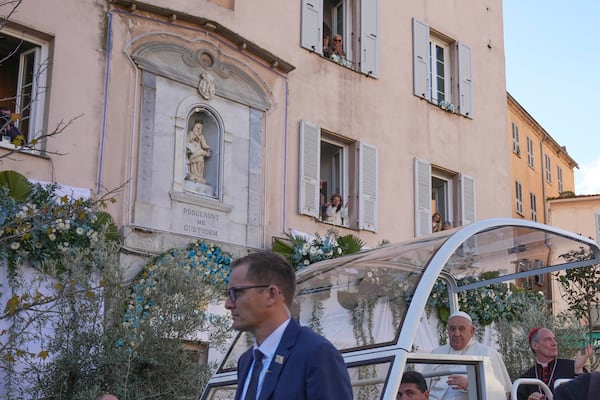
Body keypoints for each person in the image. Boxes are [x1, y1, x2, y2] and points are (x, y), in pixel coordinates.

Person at [225, 251, 353, 400]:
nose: (228, 304)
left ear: (271, 294)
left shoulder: (316, 354)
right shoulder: (247, 361)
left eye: (236, 293)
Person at [426, 311, 511, 400]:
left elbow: (502, 393)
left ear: (472, 331)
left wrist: (470, 384)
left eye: (461, 329)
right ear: (448, 331)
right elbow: (423, 386)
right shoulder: (437, 353)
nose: (456, 334)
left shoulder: (487, 354)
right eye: (452, 329)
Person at [517, 327, 592, 400]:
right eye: (548, 340)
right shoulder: (525, 379)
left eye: (554, 339)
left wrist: (578, 371)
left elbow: (588, 394)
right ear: (535, 345)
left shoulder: (573, 367)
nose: (554, 343)